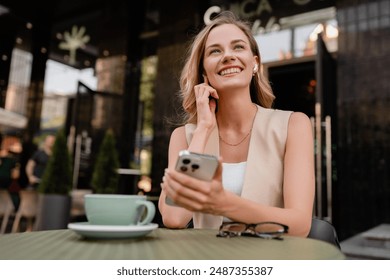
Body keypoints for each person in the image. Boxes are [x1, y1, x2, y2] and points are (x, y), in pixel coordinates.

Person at [158, 11, 315, 237]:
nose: (228, 56)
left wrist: (224, 204)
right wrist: (202, 130)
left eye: (238, 47)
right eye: (215, 51)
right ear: (204, 72)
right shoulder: (185, 136)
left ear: (255, 63)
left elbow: (299, 225)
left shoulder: (293, 125)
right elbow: (174, 218)